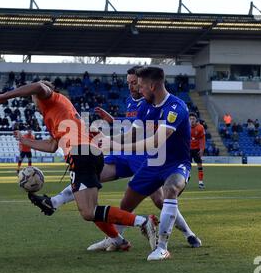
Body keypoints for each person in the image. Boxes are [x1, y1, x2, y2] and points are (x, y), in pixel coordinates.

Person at [33, 66, 200, 252]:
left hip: (147, 156)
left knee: (161, 200)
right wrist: (112, 127)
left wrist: (114, 141)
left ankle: (188, 233)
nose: (131, 87)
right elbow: (131, 131)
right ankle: (108, 234)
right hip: (126, 154)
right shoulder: (134, 102)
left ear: (147, 84)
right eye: (128, 83)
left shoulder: (161, 102)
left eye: (135, 83)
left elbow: (149, 136)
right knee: (91, 176)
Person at [0, 80, 158, 256]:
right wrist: (24, 140)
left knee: (88, 211)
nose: (33, 101)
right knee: (91, 208)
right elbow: (52, 145)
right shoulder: (55, 112)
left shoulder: (51, 99)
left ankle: (143, 222)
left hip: (80, 154)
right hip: (89, 153)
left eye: (33, 98)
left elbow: (37, 86)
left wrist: (4, 96)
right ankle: (119, 240)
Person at [103, 67, 197, 261]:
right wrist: (107, 139)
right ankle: (114, 239)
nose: (139, 89)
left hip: (177, 164)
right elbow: (131, 134)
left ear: (152, 86)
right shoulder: (145, 106)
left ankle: (162, 247)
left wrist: (112, 145)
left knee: (170, 189)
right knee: (127, 202)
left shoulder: (175, 108)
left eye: (141, 85)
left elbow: (156, 141)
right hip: (153, 163)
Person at [189, 113, 206, 189]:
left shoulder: (200, 128)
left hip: (196, 149)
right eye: (190, 119)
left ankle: (201, 182)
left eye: (193, 119)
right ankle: (184, 182)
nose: (191, 120)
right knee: (186, 166)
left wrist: (202, 149)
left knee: (199, 165)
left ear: (196, 120)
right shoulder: (185, 126)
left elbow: (202, 139)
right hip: (187, 149)